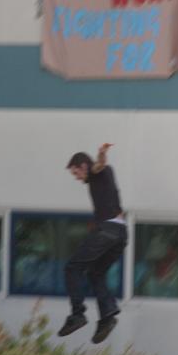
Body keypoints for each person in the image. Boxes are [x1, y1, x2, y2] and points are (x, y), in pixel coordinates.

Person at [58, 144, 128, 344]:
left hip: (107, 231)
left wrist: (102, 155)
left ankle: (77, 314)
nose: (77, 178)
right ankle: (107, 317)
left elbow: (98, 165)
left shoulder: (99, 172)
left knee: (72, 268)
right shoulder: (102, 179)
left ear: (83, 166)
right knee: (95, 273)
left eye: (76, 173)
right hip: (121, 233)